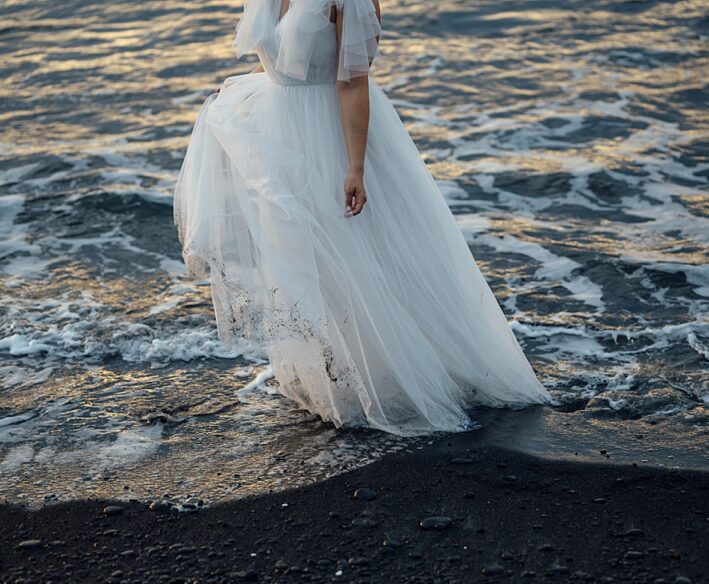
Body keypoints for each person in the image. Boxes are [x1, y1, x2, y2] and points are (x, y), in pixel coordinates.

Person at [174, 0, 551, 436]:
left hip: (332, 136)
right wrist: (241, 92)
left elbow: (353, 81)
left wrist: (355, 168)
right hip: (279, 136)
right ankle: (328, 377)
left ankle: (390, 378)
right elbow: (281, 62)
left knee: (351, 258)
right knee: (299, 259)